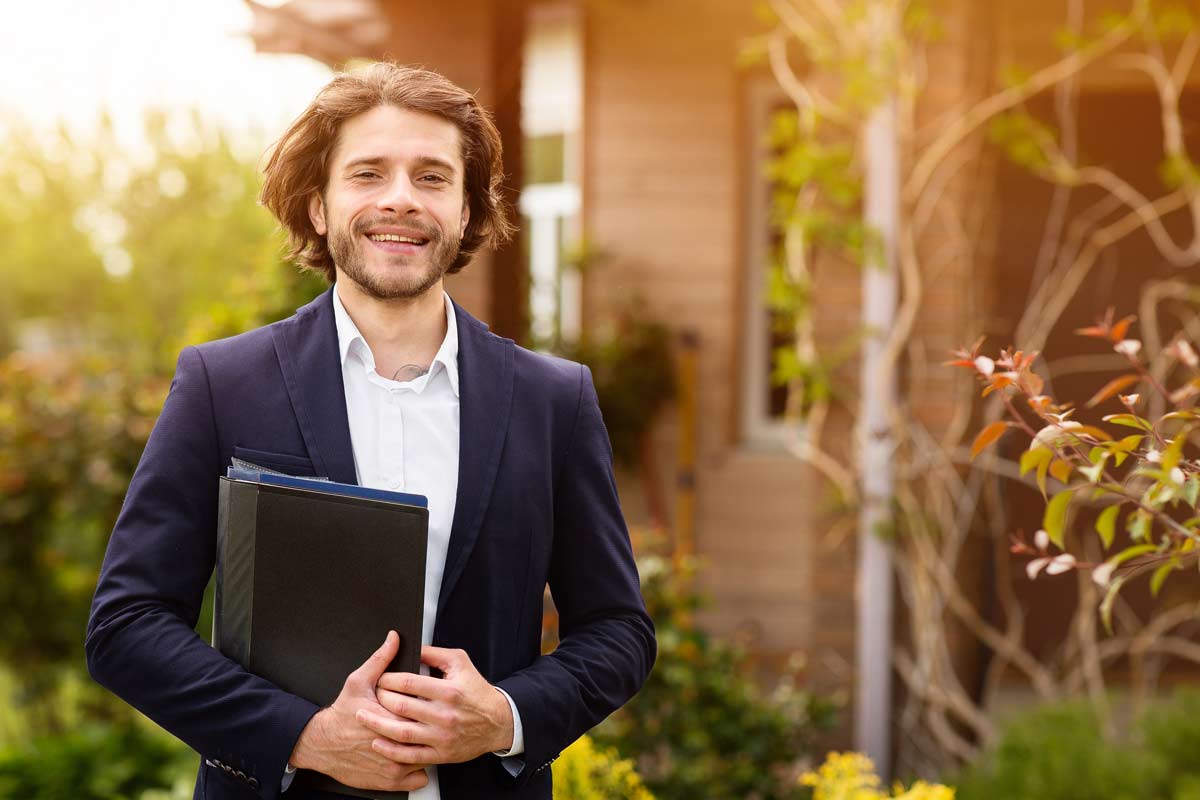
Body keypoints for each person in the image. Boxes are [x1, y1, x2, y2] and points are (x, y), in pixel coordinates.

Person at [85, 62, 655, 800]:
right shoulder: (221, 385)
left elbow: (618, 630)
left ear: (466, 209)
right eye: (367, 173)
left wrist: (504, 717)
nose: (399, 200)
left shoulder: (554, 400)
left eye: (431, 177)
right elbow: (127, 626)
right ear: (318, 205)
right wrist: (301, 735)